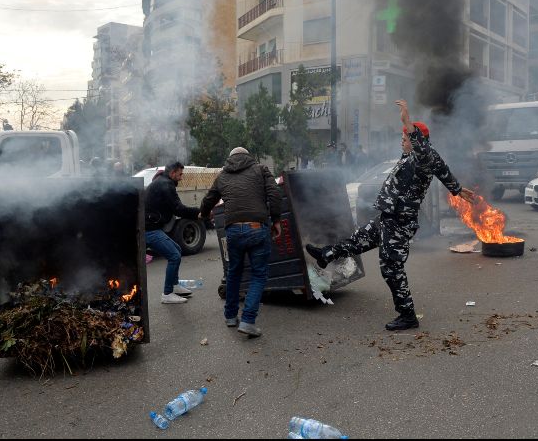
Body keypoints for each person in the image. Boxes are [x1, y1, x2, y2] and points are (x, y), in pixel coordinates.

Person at [306, 100, 475, 331]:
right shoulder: (414, 157)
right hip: (389, 216)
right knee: (359, 239)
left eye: (405, 138)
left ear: (417, 140)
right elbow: (443, 170)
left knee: (391, 268)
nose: (402, 141)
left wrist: (407, 121)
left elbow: (430, 157)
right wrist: (456, 188)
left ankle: (407, 315)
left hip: (400, 222)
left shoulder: (423, 156)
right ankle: (326, 254)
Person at [200, 147, 282, 338]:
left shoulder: (222, 176)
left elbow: (208, 200)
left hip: (233, 231)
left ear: (230, 159)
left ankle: (230, 316)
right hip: (257, 227)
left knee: (234, 272)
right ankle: (247, 321)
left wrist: (204, 214)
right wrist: (276, 220)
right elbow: (275, 194)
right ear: (247, 156)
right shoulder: (260, 169)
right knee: (258, 275)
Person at [145, 161, 200, 304]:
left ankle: (174, 285)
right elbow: (178, 209)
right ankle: (167, 293)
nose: (181, 178)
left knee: (177, 249)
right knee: (174, 256)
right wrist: (199, 213)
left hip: (150, 227)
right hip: (148, 229)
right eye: (180, 174)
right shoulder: (166, 184)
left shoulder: (161, 181)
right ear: (172, 173)